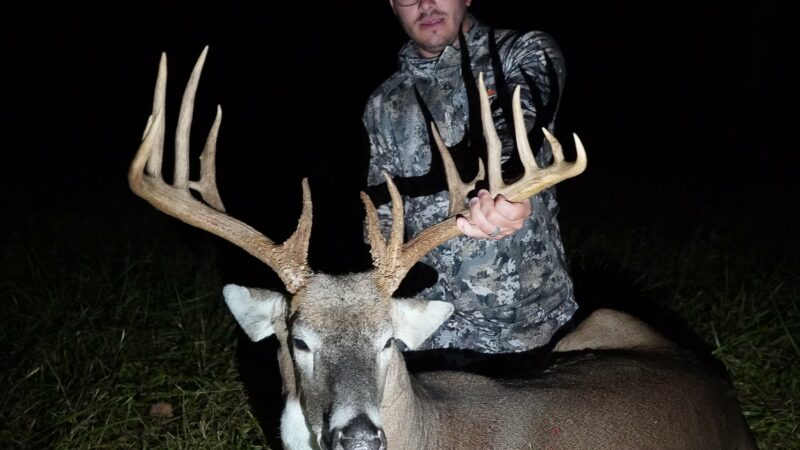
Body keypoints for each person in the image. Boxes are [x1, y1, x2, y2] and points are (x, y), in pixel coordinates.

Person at [362, 0, 575, 353]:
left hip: (531, 325)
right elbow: (382, 205)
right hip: (432, 330)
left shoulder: (520, 52)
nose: (426, 4)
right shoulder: (384, 102)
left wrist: (500, 195)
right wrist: (379, 267)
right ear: (393, 7)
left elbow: (521, 127)